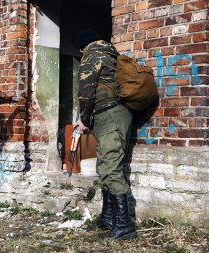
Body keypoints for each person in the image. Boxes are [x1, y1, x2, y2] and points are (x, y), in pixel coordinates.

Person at [74, 29, 136, 240]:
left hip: (109, 114)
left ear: (83, 47)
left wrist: (83, 119)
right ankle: (108, 218)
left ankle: (125, 225)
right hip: (112, 115)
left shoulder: (92, 56)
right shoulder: (110, 55)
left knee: (110, 169)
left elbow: (85, 91)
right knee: (105, 167)